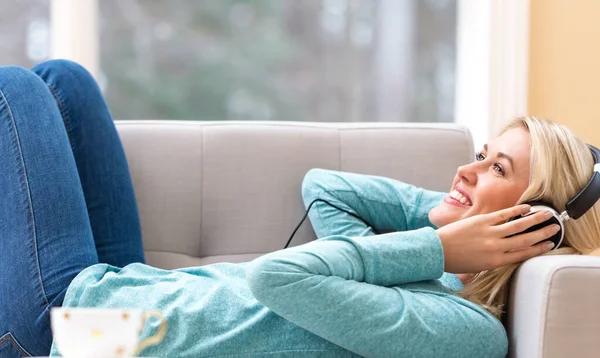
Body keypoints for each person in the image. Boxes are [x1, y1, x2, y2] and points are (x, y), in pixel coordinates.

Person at [0, 60, 598, 358]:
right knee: (64, 80)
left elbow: (276, 276)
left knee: (15, 88)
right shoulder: (434, 268)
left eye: (497, 169)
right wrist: (444, 218)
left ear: (537, 223)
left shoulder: (466, 333)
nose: (465, 170)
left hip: (80, 332)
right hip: (137, 292)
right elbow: (326, 187)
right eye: (480, 154)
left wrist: (438, 244)